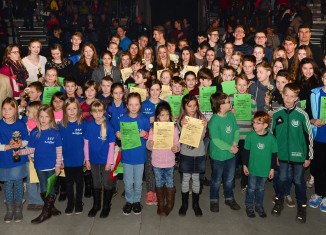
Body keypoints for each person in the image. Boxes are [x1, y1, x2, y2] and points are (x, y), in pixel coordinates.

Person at [271, 83, 313, 224]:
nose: (288, 99)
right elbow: (272, 137)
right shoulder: (276, 114)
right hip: (281, 155)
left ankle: (302, 206)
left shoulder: (302, 115)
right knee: (282, 178)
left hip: (299, 156)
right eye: (286, 95)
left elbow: (309, 137)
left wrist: (308, 156)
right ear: (282, 95)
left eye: (292, 96)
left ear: (296, 99)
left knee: (299, 181)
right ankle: (279, 201)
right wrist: (274, 155)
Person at [18, 104, 62, 224]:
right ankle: (50, 208)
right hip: (39, 166)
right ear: (38, 117)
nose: (43, 119)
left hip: (52, 167)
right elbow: (31, 149)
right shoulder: (34, 132)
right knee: (43, 188)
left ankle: (45, 212)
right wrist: (20, 151)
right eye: (41, 116)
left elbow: (59, 150)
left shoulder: (55, 133)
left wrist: (58, 165)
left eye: (46, 117)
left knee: (51, 188)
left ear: (51, 118)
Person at [116, 92, 151, 215]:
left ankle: (136, 201)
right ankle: (129, 201)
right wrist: (118, 135)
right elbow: (119, 134)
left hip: (140, 156)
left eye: (136, 104)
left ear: (140, 105)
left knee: (138, 181)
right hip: (127, 157)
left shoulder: (144, 119)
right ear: (127, 105)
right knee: (128, 181)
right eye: (131, 104)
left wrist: (145, 134)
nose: (134, 107)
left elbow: (150, 136)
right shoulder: (123, 119)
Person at [208, 92, 240, 213]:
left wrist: (235, 143)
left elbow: (236, 130)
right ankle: (214, 199)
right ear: (221, 105)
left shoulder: (231, 116)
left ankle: (229, 197)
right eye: (228, 102)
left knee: (229, 179)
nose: (230, 103)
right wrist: (230, 148)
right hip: (218, 156)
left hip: (230, 155)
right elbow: (216, 140)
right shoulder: (214, 121)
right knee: (216, 180)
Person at [146, 102, 180, 216]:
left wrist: (176, 147)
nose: (165, 117)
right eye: (162, 115)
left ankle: (169, 205)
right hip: (156, 161)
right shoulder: (153, 128)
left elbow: (176, 141)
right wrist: (150, 143)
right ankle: (160, 204)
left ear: (169, 114)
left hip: (169, 161)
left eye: (166, 115)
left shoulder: (173, 127)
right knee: (159, 182)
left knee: (169, 182)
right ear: (157, 117)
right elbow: (148, 143)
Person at [84, 100, 116, 218]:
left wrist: (109, 162)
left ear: (104, 112)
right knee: (96, 182)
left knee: (107, 182)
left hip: (105, 161)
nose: (98, 114)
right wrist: (87, 159)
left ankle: (106, 206)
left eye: (100, 111)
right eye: (95, 112)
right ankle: (96, 205)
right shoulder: (89, 125)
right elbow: (86, 143)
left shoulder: (108, 126)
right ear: (91, 113)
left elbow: (112, 145)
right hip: (93, 160)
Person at [243, 111, 277, 218]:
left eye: (258, 123)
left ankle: (258, 205)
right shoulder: (250, 136)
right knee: (251, 188)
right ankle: (249, 205)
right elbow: (246, 152)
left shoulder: (271, 139)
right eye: (254, 122)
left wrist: (272, 169)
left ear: (265, 125)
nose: (254, 125)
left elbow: (274, 154)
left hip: (264, 170)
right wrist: (244, 165)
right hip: (253, 168)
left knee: (261, 188)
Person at [177, 94, 207, 217]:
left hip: (199, 153)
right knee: (185, 178)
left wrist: (204, 126)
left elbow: (202, 137)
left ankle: (196, 204)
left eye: (195, 105)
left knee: (196, 178)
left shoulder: (201, 118)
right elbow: (181, 137)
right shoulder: (182, 119)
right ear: (184, 107)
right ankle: (184, 204)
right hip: (185, 153)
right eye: (189, 106)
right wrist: (181, 125)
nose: (193, 108)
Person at [0, 98, 28, 223]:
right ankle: (9, 209)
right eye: (4, 109)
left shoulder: (21, 124)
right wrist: (7, 146)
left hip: (18, 160)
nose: (6, 111)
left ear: (15, 110)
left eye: (10, 109)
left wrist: (21, 144)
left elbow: (27, 140)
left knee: (17, 183)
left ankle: (18, 208)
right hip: (5, 160)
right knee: (7, 184)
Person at [58, 98, 86, 215]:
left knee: (79, 181)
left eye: (74, 108)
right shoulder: (61, 125)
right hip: (67, 159)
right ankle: (70, 203)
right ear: (65, 110)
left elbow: (86, 142)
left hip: (79, 158)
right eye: (69, 109)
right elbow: (58, 144)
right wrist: (60, 159)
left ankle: (79, 202)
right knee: (69, 182)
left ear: (78, 109)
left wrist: (86, 157)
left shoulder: (83, 123)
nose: (72, 111)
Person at [308, 70, 326, 212]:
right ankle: (319, 193)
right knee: (318, 168)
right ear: (322, 78)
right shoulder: (315, 94)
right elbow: (307, 112)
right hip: (318, 136)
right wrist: (313, 120)